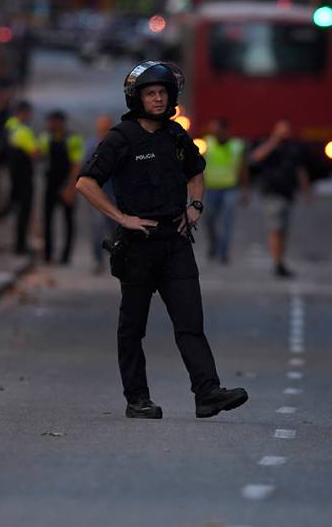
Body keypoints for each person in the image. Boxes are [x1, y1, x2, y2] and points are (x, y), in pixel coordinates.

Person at [76, 60, 248, 420]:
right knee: (132, 328)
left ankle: (208, 393)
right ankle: (137, 399)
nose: (157, 99)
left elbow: (196, 171)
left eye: (163, 93)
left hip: (175, 241)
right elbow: (86, 183)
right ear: (136, 97)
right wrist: (122, 218)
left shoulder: (175, 135)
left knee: (190, 322)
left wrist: (196, 206)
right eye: (151, 93)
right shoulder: (120, 138)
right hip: (138, 245)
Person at [249, 120, 312, 277]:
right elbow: (255, 158)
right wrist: (273, 142)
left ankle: (280, 260)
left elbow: (300, 169)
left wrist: (306, 191)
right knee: (276, 229)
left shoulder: (293, 148)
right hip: (272, 193)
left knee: (283, 230)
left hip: (287, 194)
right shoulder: (269, 145)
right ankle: (277, 263)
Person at [38, 110, 84, 264]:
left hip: (67, 184)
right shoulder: (45, 137)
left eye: (52, 122)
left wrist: (71, 188)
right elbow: (39, 155)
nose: (49, 124)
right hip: (50, 184)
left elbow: (76, 165)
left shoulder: (73, 139)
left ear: (60, 123)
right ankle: (48, 255)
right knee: (47, 220)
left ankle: (66, 256)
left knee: (68, 221)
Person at [202, 118, 247, 264]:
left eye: (218, 131)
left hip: (230, 188)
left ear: (226, 131)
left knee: (227, 222)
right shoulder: (206, 143)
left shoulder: (237, 146)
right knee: (209, 220)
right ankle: (214, 244)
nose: (215, 133)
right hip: (211, 188)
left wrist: (244, 189)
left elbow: (243, 169)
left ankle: (224, 252)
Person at [5, 101, 39, 255]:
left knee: (16, 209)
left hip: (11, 175)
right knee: (23, 212)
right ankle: (20, 245)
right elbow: (35, 154)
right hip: (24, 178)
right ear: (24, 113)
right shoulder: (24, 132)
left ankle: (19, 243)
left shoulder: (9, 126)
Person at [85, 114, 116, 274]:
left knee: (115, 229)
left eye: (107, 128)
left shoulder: (118, 145)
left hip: (115, 195)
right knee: (97, 229)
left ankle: (116, 259)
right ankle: (98, 261)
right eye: (102, 128)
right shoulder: (91, 146)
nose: (105, 131)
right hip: (97, 195)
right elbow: (84, 169)